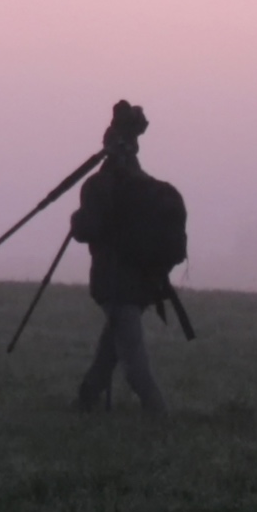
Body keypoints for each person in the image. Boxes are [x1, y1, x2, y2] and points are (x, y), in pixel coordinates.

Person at [68, 99, 168, 413]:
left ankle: (159, 415)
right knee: (111, 347)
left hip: (115, 283)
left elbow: (85, 230)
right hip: (144, 283)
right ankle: (86, 400)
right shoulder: (147, 185)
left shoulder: (100, 185)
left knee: (134, 363)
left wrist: (77, 219)